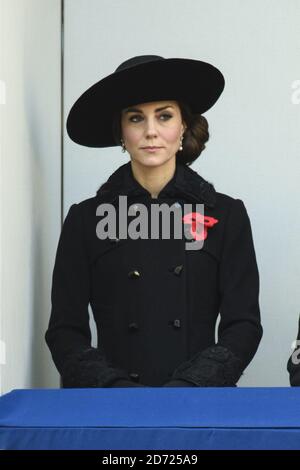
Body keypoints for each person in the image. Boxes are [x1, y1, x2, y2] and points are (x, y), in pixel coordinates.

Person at [45, 55, 263, 388]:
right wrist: (114, 389)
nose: (150, 132)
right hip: (114, 411)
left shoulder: (225, 215)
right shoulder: (85, 220)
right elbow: (64, 330)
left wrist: (190, 387)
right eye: (136, 118)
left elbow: (243, 325)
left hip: (199, 407)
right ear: (121, 131)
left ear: (183, 126)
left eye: (164, 116)